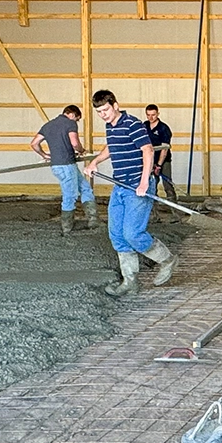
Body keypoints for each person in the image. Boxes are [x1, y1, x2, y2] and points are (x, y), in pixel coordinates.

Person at [85, 89, 174, 297]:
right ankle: (130, 281)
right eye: (99, 112)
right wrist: (95, 161)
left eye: (106, 110)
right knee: (116, 234)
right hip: (120, 187)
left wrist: (144, 182)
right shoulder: (111, 126)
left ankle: (167, 260)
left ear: (115, 106)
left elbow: (148, 150)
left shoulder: (132, 124)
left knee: (133, 234)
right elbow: (111, 147)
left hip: (137, 187)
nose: (103, 115)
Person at [31, 105, 95, 234]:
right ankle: (67, 227)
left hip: (57, 165)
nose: (76, 121)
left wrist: (45, 155)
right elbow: (75, 143)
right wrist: (82, 151)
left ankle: (94, 220)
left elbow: (34, 143)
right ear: (72, 114)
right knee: (69, 196)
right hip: (67, 165)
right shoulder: (70, 123)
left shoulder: (48, 125)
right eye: (77, 119)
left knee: (85, 187)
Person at [143, 103, 176, 202]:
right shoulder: (145, 126)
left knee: (167, 184)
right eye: (148, 115)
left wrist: (159, 165)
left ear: (158, 114)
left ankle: (173, 206)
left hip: (163, 161)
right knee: (152, 184)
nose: (151, 117)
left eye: (153, 115)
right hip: (150, 160)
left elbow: (164, 149)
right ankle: (154, 207)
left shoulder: (163, 128)